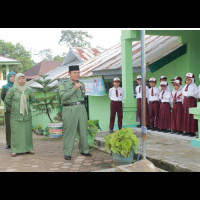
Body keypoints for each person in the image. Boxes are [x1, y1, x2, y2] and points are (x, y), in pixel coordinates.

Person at [59, 65, 91, 160]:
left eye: (78, 72)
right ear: (69, 74)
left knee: (83, 130)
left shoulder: (82, 84)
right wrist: (74, 88)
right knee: (69, 131)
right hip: (69, 109)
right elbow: (63, 97)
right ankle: (68, 153)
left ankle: (85, 150)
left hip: (81, 108)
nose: (77, 74)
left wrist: (83, 92)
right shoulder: (64, 84)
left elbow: (83, 96)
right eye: (74, 73)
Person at [4, 73, 36, 157]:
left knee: (27, 132)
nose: (21, 80)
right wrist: (15, 107)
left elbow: (33, 99)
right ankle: (15, 150)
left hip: (26, 115)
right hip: (15, 115)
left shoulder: (28, 90)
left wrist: (27, 106)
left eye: (23, 78)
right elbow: (7, 100)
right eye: (19, 78)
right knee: (15, 133)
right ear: (16, 80)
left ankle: (29, 148)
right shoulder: (12, 90)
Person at [1, 71, 16, 149]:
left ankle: (17, 142)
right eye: (11, 76)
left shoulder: (17, 87)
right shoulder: (5, 87)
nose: (12, 78)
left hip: (17, 110)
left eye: (14, 76)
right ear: (8, 78)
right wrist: (9, 104)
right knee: (9, 127)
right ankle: (9, 143)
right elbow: (2, 97)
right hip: (8, 110)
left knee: (17, 126)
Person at [182, 72, 199, 137]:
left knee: (191, 115)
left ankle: (192, 131)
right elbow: (183, 93)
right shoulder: (185, 86)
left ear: (192, 80)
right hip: (186, 100)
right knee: (186, 114)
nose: (187, 81)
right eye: (186, 79)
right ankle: (187, 130)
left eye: (189, 80)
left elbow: (197, 95)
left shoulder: (194, 86)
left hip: (191, 101)